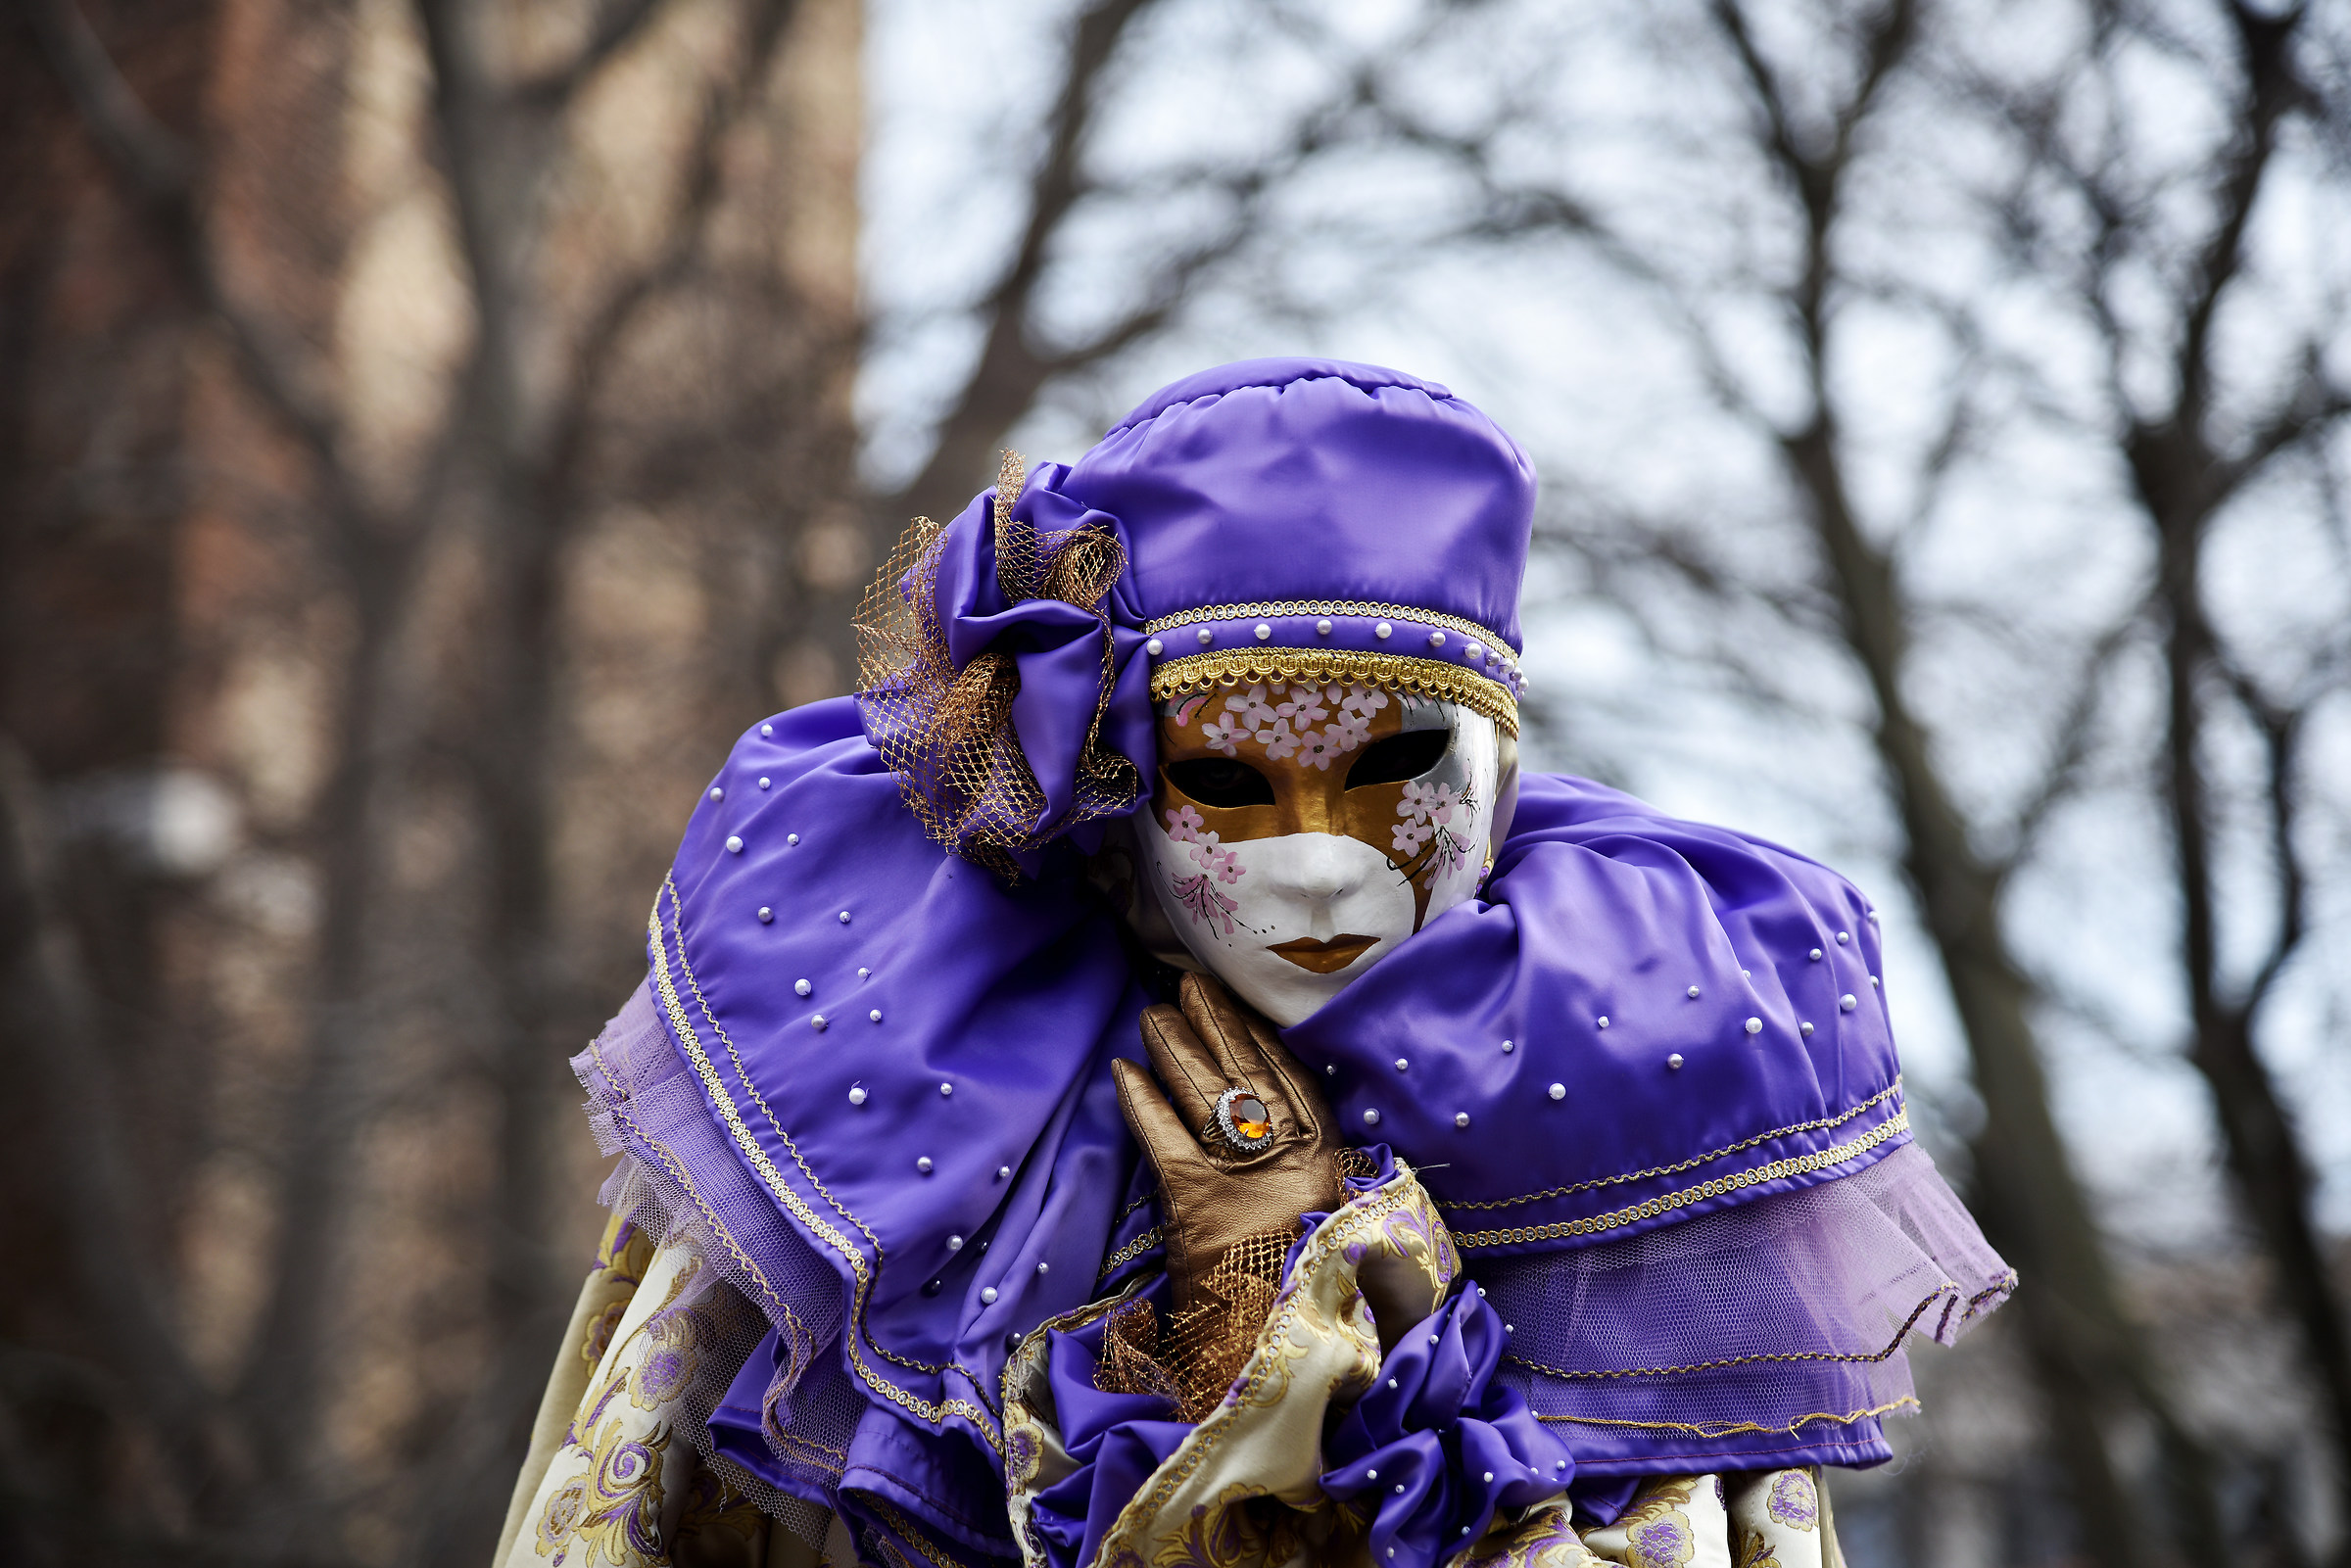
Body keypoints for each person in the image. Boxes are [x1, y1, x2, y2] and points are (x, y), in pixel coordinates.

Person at [493, 359, 2012, 1568]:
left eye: (1394, 767)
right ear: (1128, 784)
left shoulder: (1637, 1122)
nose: (1316, 862)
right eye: (1231, 780)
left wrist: (1297, 1327)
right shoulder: (889, 1132)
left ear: (1497, 765)